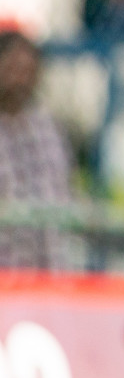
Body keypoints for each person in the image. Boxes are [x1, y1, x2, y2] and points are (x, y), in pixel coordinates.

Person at [0, 30, 73, 268]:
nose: (20, 79)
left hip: (47, 268)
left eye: (27, 71)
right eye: (13, 69)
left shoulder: (47, 128)